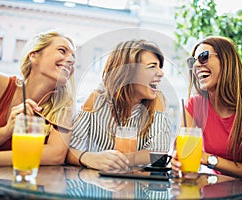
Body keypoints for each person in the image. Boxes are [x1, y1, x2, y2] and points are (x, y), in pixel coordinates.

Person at [171, 36, 242, 199]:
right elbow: (181, 155)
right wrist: (178, 163)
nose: (196, 65)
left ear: (227, 61)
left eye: (203, 57)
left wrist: (210, 159)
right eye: (192, 62)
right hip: (217, 193)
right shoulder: (195, 105)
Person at [66, 39, 171, 171]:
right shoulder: (96, 101)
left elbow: (159, 152)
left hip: (135, 187)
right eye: (152, 66)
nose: (161, 73)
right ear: (128, 72)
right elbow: (71, 150)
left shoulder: (156, 103)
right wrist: (93, 159)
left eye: (159, 67)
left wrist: (123, 159)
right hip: (96, 185)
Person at [0, 30, 76, 176]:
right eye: (62, 51)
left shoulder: (64, 106)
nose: (71, 60)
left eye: (73, 58)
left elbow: (55, 155)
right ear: (34, 55)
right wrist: (7, 131)